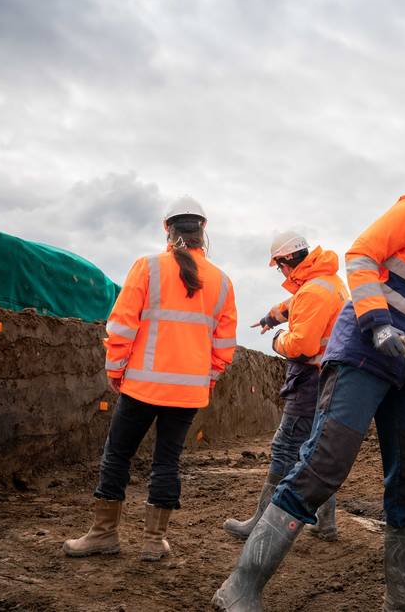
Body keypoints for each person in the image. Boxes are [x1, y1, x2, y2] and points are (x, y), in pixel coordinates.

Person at [212, 150, 405, 612]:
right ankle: (240, 587)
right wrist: (378, 323)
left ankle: (403, 597)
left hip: (403, 363)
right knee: (325, 463)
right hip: (363, 348)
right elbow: (361, 254)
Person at [63, 195, 237, 562]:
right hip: (188, 392)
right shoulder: (222, 282)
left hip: (142, 385)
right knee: (166, 461)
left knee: (118, 455)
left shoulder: (148, 267)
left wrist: (116, 369)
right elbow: (224, 346)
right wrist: (207, 379)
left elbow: (122, 325)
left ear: (166, 228)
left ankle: (103, 534)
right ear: (203, 230)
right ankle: (154, 541)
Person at [222, 231, 347, 542]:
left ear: (287, 261)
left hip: (310, 378)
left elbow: (302, 345)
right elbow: (293, 304)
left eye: (279, 266)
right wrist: (271, 318)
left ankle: (261, 522)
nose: (281, 272)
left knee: (285, 447)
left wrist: (278, 340)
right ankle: (325, 522)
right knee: (314, 449)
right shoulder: (326, 281)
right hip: (329, 377)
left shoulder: (314, 291)